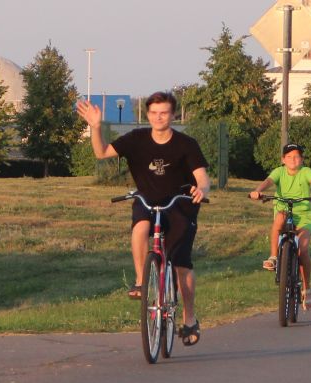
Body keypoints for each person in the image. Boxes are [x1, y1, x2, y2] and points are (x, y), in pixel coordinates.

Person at [78, 91, 213, 345]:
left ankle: (190, 318)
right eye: (153, 112)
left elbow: (203, 178)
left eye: (164, 112)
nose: (158, 117)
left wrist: (201, 189)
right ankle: (141, 280)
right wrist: (95, 127)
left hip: (180, 204)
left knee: (181, 264)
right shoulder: (137, 139)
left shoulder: (186, 144)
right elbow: (102, 152)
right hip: (147, 199)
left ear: (173, 115)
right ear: (147, 114)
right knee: (140, 228)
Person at [251, 142, 311, 310]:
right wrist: (257, 191)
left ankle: (307, 288)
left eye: (296, 156)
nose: (293, 159)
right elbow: (268, 181)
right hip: (283, 209)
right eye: (289, 156)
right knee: (280, 219)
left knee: (302, 250)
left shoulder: (306, 172)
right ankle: (274, 256)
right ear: (283, 159)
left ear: (302, 159)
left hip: (303, 215)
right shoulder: (279, 172)